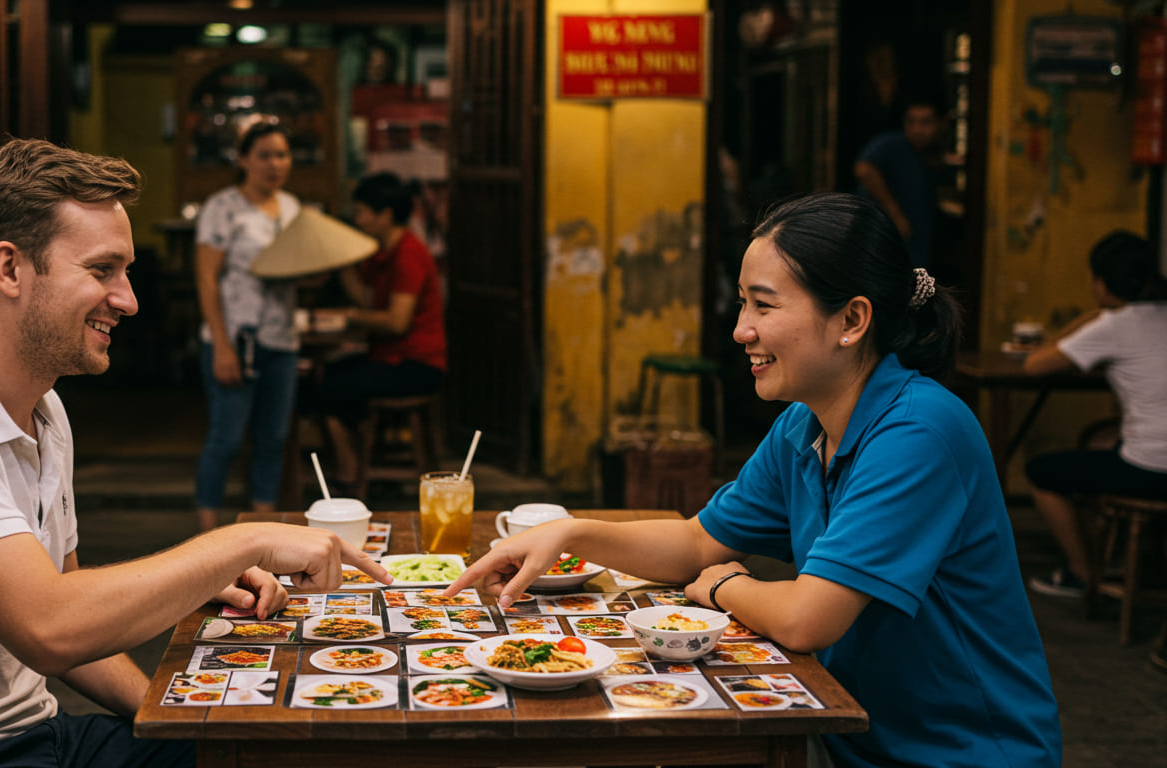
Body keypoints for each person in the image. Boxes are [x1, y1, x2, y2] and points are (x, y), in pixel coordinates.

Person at [0, 138, 390, 768]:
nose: (128, 298)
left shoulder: (45, 407)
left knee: (263, 755)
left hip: (30, 735)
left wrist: (182, 724)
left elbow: (73, 611)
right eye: (103, 270)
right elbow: (52, 628)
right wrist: (241, 544)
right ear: (10, 269)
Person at [447, 193, 1061, 767]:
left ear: (851, 319)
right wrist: (571, 530)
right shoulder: (804, 422)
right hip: (857, 739)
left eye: (763, 306)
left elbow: (804, 619)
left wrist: (724, 586)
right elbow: (697, 543)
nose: (742, 329)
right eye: (743, 303)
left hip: (967, 752)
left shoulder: (919, 433)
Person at [1023, 231, 1167, 598]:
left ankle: (1082, 573)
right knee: (1101, 439)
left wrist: (1092, 317)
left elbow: (1034, 367)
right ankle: (1133, 558)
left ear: (1101, 284)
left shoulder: (1114, 325)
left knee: (1040, 472)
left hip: (1153, 469)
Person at [194, 121, 302, 532]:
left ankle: (262, 531)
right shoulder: (222, 208)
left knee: (273, 439)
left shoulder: (293, 208)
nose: (275, 164)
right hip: (235, 338)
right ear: (243, 160)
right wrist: (221, 345)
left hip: (283, 339)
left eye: (282, 155)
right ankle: (207, 533)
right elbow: (206, 278)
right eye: (264, 155)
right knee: (226, 439)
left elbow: (300, 267)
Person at [318, 172, 446, 488]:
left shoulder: (408, 254)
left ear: (385, 215)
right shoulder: (382, 253)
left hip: (417, 365)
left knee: (330, 386)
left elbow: (396, 321)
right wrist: (345, 262)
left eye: (362, 211)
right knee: (326, 378)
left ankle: (351, 469)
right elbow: (366, 297)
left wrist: (351, 317)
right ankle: (355, 462)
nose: (358, 219)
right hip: (391, 358)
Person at [853, 94, 942, 269]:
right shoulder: (892, 144)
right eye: (911, 122)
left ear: (939, 124)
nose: (917, 129)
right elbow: (864, 169)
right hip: (885, 240)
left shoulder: (930, 154)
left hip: (916, 244)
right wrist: (895, 214)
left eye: (925, 122)